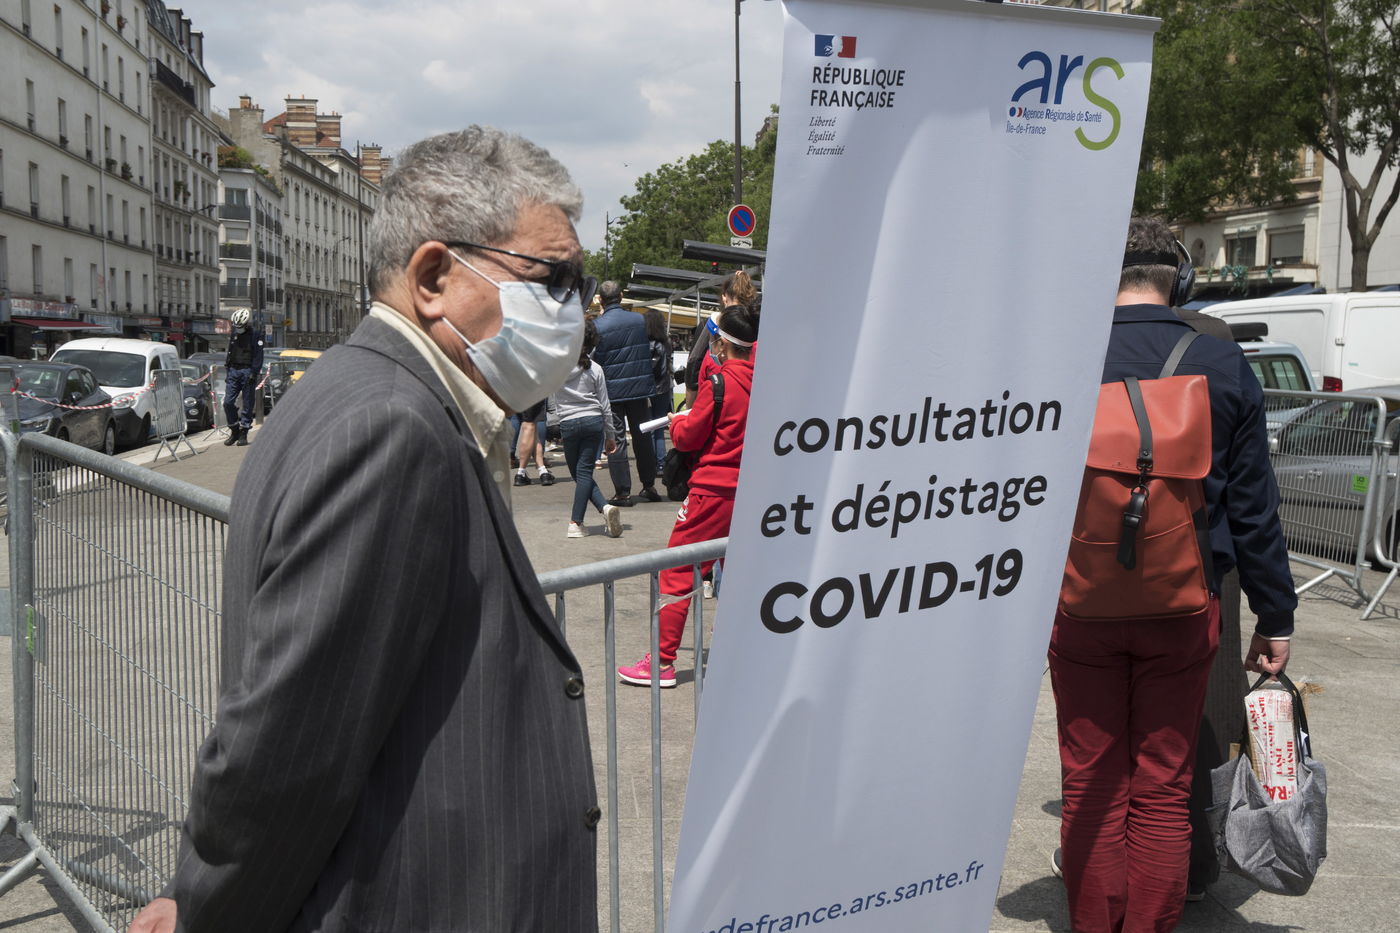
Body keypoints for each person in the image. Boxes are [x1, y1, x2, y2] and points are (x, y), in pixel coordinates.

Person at [128, 126, 600, 933]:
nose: (573, 309)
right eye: (551, 278)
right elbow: (282, 752)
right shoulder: (393, 429)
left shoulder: (356, 390)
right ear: (434, 277)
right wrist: (206, 911)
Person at [1047, 216, 1297, 933]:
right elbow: (1255, 509)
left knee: (1091, 781)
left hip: (1077, 601)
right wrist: (1276, 615)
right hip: (1184, 604)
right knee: (1162, 786)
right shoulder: (1221, 363)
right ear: (1179, 279)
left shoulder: (1060, 360)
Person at [617, 303, 759, 688]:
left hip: (711, 491)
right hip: (751, 492)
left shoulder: (720, 383)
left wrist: (679, 423)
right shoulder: (765, 382)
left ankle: (661, 661)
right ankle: (740, 648)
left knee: (678, 569)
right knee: (739, 572)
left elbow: (689, 437)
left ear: (722, 344)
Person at [592, 280, 661, 505]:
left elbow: (594, 358)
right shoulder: (639, 320)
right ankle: (649, 485)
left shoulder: (598, 325)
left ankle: (623, 492)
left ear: (600, 300)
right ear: (621, 296)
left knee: (617, 440)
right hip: (639, 388)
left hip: (612, 391)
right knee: (643, 437)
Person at [553, 318, 623, 538]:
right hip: (593, 421)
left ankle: (576, 522)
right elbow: (605, 405)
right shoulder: (596, 369)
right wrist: (610, 434)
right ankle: (604, 507)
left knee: (579, 473)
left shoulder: (558, 367)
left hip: (568, 422)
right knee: (582, 473)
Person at [683, 269, 755, 409]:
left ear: (724, 297)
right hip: (747, 402)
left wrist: (689, 409)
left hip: (714, 400)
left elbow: (694, 365)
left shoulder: (713, 324)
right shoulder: (756, 326)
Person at [221, 308, 263, 447]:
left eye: (239, 326)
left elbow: (258, 355)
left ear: (245, 324)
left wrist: (254, 372)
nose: (237, 328)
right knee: (227, 402)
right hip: (234, 370)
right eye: (236, 326)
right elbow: (230, 351)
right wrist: (228, 369)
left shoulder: (255, 334)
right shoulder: (234, 333)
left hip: (247, 370)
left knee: (247, 403)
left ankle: (244, 431)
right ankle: (234, 430)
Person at [643, 309, 673, 466]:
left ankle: (653, 462)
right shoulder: (667, 343)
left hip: (648, 388)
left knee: (650, 427)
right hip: (664, 387)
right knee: (659, 427)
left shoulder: (645, 344)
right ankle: (661, 463)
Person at [512, 398, 554, 486]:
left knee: (533, 430)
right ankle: (520, 473)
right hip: (532, 392)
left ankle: (543, 471)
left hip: (516, 392)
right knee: (530, 425)